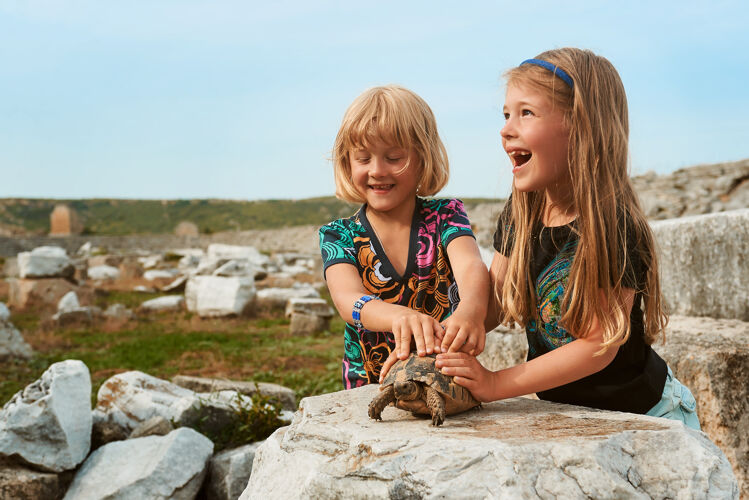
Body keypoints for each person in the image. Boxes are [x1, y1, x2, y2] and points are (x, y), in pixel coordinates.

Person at [435, 48, 701, 430]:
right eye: (506, 113)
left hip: (647, 416)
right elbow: (495, 298)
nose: (506, 128)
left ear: (582, 126)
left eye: (526, 113)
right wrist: (461, 323)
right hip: (570, 415)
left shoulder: (615, 225)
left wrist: (496, 383)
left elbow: (598, 345)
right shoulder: (523, 210)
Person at [320, 85, 490, 390]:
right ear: (347, 163)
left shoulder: (447, 215)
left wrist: (471, 311)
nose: (377, 170)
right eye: (363, 158)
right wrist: (401, 316)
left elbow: (470, 266)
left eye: (394, 157)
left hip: (442, 376)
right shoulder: (339, 235)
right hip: (369, 385)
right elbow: (348, 300)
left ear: (422, 158)